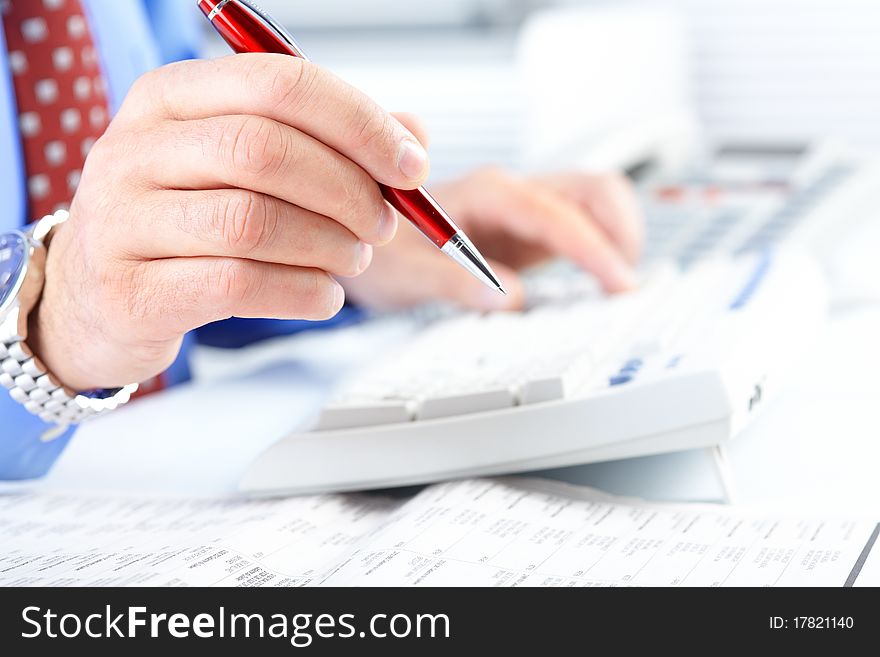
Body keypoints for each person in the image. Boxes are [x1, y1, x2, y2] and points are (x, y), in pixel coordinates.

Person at [0, 0, 643, 480]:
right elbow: (97, 292)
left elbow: (169, 237)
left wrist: (343, 246)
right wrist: (54, 326)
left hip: (182, 492)